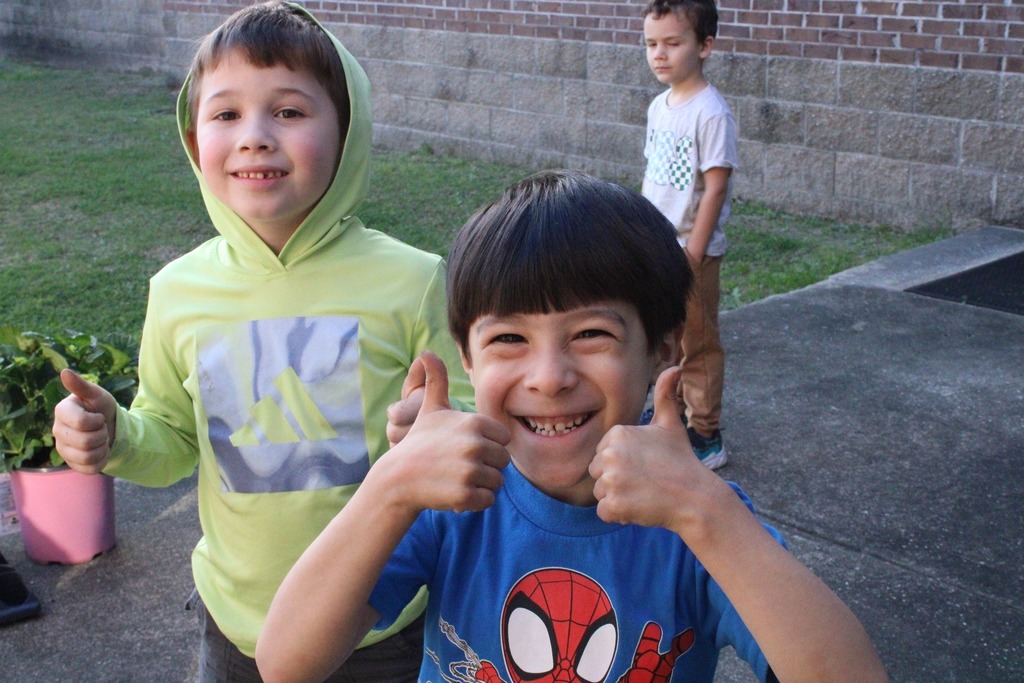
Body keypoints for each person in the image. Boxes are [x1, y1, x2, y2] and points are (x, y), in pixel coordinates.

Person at [257, 171, 888, 683]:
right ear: (468, 359)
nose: (550, 376)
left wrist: (707, 512)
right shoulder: (446, 505)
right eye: (509, 339)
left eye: (591, 334)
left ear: (664, 350)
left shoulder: (701, 526)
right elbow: (286, 661)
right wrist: (389, 487)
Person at [51, 2, 472, 680]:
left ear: (348, 130)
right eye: (225, 114)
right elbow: (173, 441)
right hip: (234, 627)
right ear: (193, 139)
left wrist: (444, 431)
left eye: (289, 111)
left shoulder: (413, 281)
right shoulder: (177, 290)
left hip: (380, 627)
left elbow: (474, 427)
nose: (254, 136)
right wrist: (117, 436)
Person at [641, 0, 737, 470]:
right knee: (663, 338)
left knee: (696, 344)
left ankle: (706, 433)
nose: (659, 54)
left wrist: (693, 254)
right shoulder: (659, 106)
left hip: (691, 254)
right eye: (651, 44)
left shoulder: (711, 113)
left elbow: (715, 185)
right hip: (658, 249)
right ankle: (668, 415)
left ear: (705, 47)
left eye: (673, 43)